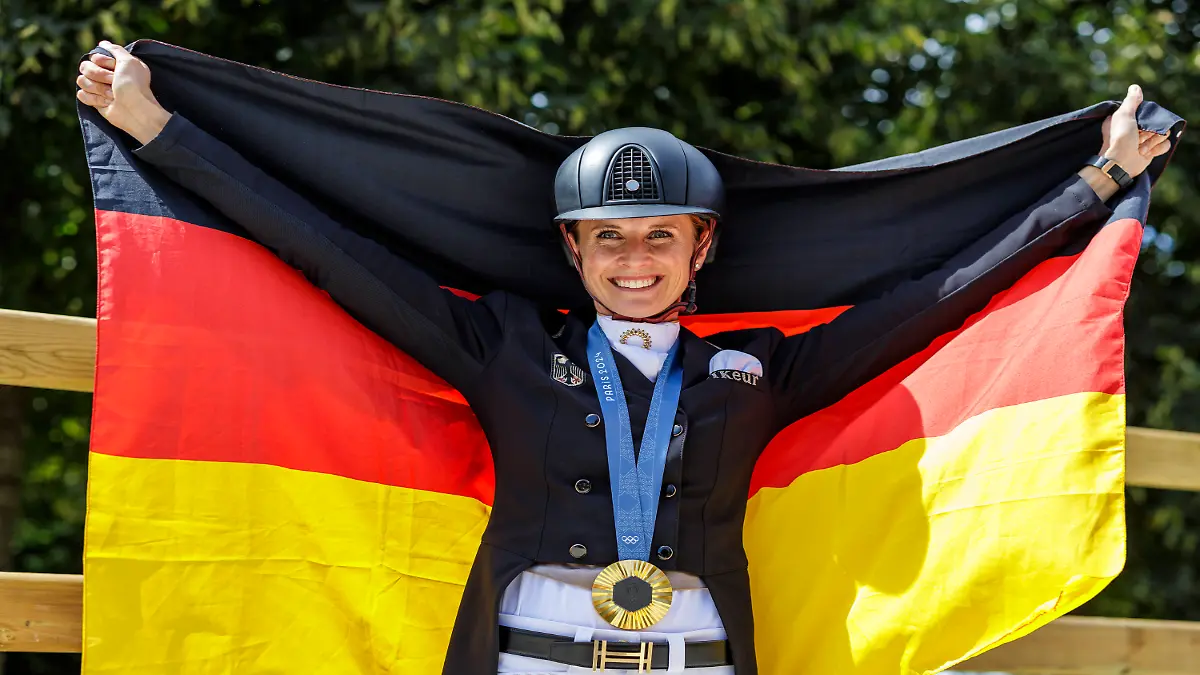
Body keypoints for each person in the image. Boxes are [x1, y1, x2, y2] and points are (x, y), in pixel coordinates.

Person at [76, 39, 1171, 675]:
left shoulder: (758, 370)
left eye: (658, 237)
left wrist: (1095, 186)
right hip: (524, 659)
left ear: (702, 245)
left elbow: (930, 300)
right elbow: (326, 250)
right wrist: (162, 130)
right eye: (608, 237)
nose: (633, 260)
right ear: (573, 249)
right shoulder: (500, 344)